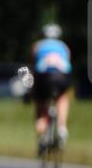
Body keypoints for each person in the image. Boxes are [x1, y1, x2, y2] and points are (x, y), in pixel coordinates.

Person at [31, 23, 72, 151]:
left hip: (44, 76)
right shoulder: (64, 47)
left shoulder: (37, 46)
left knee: (41, 104)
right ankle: (62, 128)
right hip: (62, 75)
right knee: (62, 97)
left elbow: (33, 66)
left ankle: (42, 133)